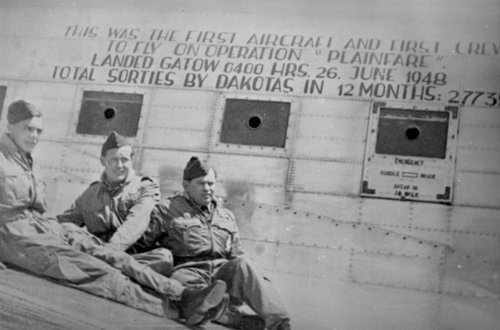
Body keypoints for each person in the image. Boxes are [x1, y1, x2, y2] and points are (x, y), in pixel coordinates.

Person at [0, 100, 226, 325]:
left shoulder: (23, 160)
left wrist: (66, 231)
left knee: (113, 257)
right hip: (17, 238)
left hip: (42, 225)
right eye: (28, 129)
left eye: (38, 130)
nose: (34, 136)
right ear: (10, 127)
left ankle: (185, 295)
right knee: (98, 271)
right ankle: (175, 310)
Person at [142, 156, 292, 330]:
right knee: (187, 291)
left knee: (245, 264)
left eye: (211, 184)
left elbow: (236, 254)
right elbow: (144, 244)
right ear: (185, 185)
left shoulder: (226, 216)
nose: (207, 189)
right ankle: (228, 316)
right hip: (190, 273)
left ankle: (281, 324)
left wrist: (255, 277)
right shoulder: (167, 209)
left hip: (222, 276)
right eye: (200, 183)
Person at [57, 131, 172, 276]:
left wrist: (110, 252)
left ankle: (96, 268)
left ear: (131, 161)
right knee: (67, 229)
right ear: (103, 161)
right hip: (98, 251)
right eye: (113, 160)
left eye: (124, 160)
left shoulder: (145, 188)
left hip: (131, 254)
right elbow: (65, 221)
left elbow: (134, 224)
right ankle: (107, 270)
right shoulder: (90, 193)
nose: (119, 165)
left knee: (163, 257)